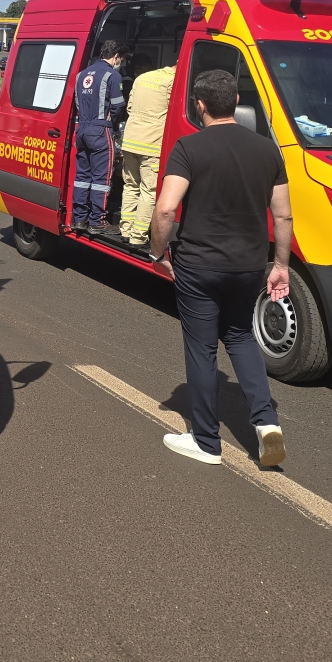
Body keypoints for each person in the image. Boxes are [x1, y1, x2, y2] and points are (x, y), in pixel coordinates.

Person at [149, 68, 292, 468]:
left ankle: (206, 441)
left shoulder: (188, 148)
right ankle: (266, 423)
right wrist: (280, 265)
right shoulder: (268, 151)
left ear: (200, 105)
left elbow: (165, 208)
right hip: (248, 265)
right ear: (236, 104)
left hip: (199, 265)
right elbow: (282, 217)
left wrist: (158, 253)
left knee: (202, 348)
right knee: (241, 337)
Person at [72, 40, 127, 240]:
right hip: (100, 130)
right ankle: (97, 222)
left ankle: (79, 219)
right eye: (120, 58)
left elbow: (78, 102)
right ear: (115, 56)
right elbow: (118, 106)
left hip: (82, 129)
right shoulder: (113, 75)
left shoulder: (81, 75)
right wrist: (110, 122)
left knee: (82, 177)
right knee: (101, 180)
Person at [119, 57, 176, 250]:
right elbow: (174, 114)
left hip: (130, 140)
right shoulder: (172, 82)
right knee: (148, 190)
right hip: (151, 144)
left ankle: (125, 230)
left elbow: (129, 107)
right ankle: (138, 236)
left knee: (130, 185)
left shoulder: (143, 77)